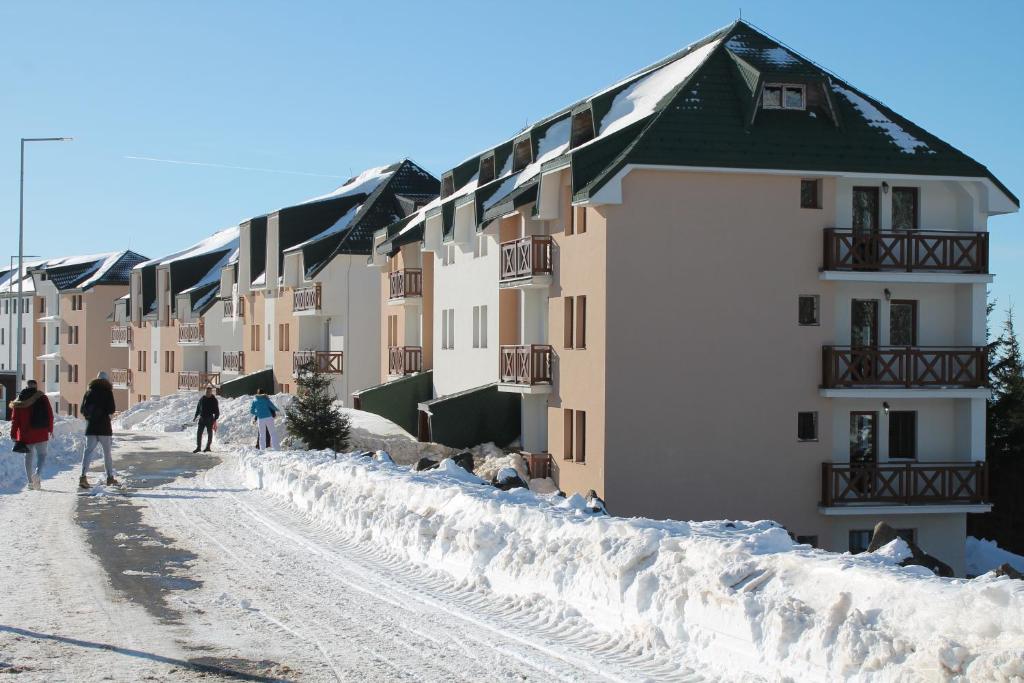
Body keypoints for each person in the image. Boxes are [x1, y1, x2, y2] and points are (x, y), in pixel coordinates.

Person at [10, 379, 54, 491]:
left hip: (26, 434)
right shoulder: (42, 398)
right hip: (41, 432)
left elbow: (15, 420)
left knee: (28, 457)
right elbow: (50, 414)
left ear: (26, 386)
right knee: (42, 455)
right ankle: (37, 474)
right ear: (36, 387)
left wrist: (13, 434)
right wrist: (50, 429)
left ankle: (30, 482)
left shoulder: (19, 400)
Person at [79, 371, 119, 489]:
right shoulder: (108, 392)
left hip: (91, 427)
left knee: (88, 452)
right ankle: (110, 478)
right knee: (107, 453)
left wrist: (90, 416)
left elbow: (82, 409)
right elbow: (111, 409)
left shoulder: (88, 392)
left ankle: (83, 477)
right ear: (106, 380)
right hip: (104, 427)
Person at [193, 386, 220, 453]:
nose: (208, 393)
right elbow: (198, 408)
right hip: (202, 418)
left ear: (211, 392)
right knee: (199, 433)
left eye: (209, 392)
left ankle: (208, 447)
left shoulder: (214, 400)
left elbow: (217, 411)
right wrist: (195, 416)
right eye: (207, 392)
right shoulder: (202, 399)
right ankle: (198, 447)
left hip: (209, 419)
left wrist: (215, 418)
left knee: (209, 433)